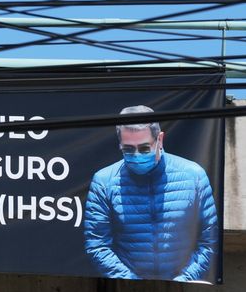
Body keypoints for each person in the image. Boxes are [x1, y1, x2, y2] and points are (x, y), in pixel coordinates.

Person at [83, 105, 218, 282]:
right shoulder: (104, 181)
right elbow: (97, 245)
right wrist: (130, 281)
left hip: (187, 286)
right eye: (128, 149)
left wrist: (186, 278)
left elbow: (210, 239)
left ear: (160, 140)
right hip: (125, 288)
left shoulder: (194, 176)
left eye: (145, 148)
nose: (137, 155)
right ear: (119, 145)